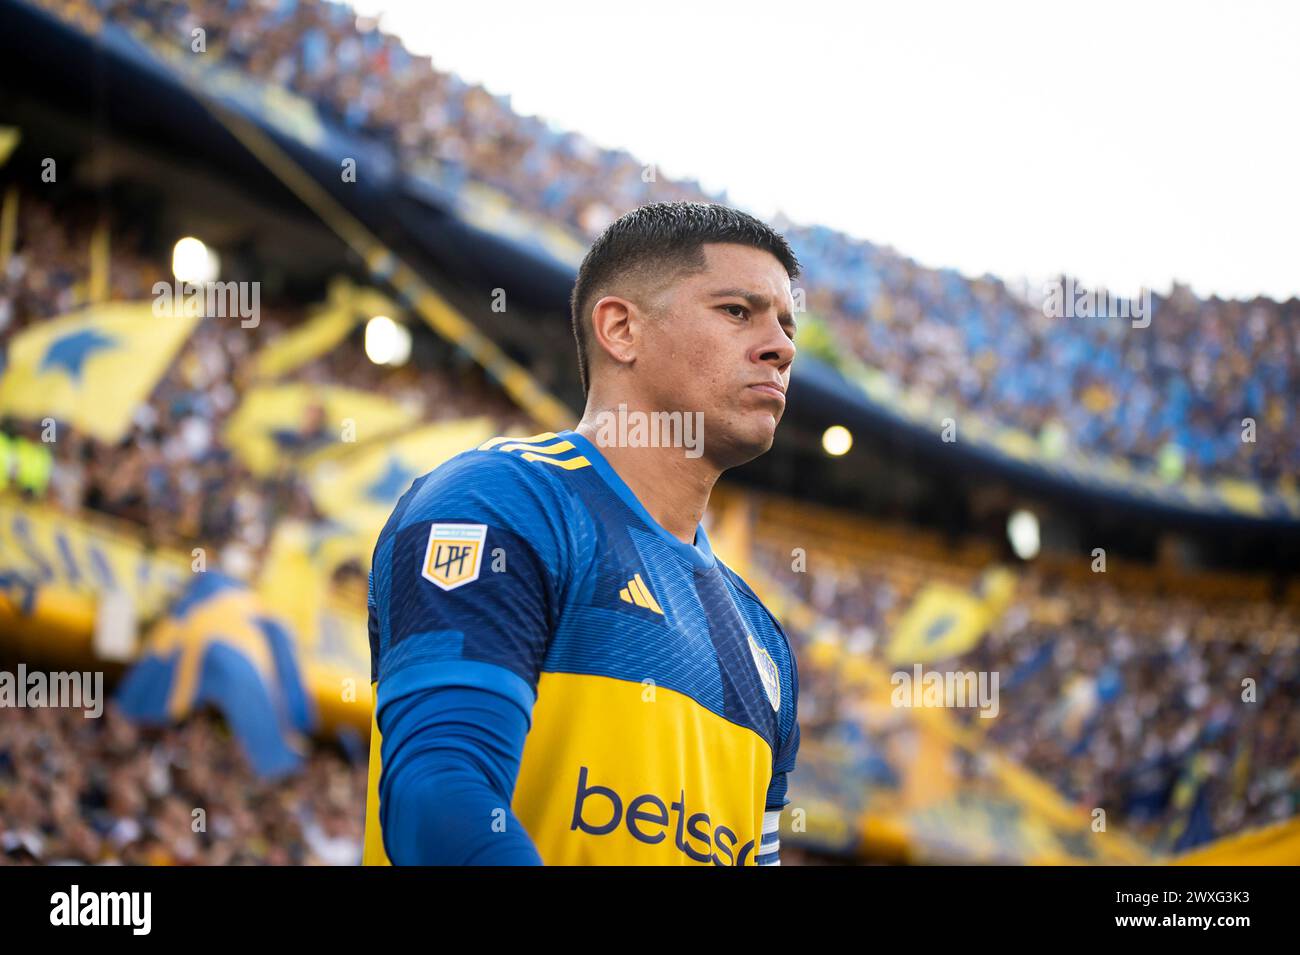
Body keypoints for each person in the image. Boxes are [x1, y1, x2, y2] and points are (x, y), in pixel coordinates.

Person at [363, 201, 801, 864]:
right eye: (738, 311)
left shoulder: (763, 643)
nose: (782, 346)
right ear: (621, 328)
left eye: (787, 323)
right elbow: (439, 795)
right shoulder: (503, 502)